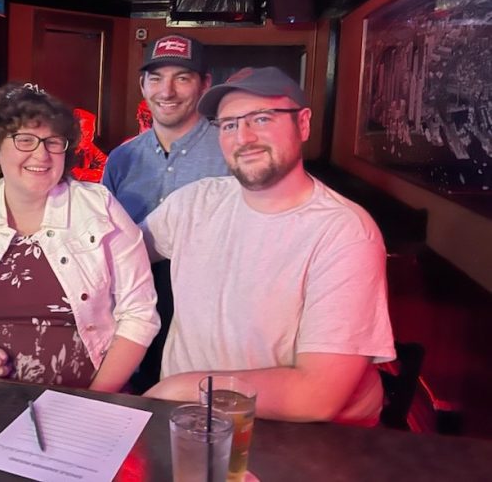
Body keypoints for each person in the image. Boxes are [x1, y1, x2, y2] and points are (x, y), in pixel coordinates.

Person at [141, 66, 395, 425]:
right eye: (229, 125)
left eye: (261, 118)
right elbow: (114, 255)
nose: (243, 137)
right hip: (195, 424)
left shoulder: (344, 232)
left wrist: (181, 389)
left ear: (303, 124)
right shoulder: (195, 203)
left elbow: (315, 397)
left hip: (299, 438)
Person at [0, 82, 160, 392]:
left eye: (53, 142)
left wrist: (96, 399)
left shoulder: (101, 209)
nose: (41, 154)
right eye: (25, 140)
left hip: (85, 398)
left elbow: (140, 315)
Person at [102, 33, 229, 391]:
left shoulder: (230, 151)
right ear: (143, 85)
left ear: (205, 84)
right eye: (156, 78)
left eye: (182, 78)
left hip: (205, 318)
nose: (166, 91)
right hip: (129, 313)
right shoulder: (121, 158)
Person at [71, 108, 107, 183]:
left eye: (92, 133)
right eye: (86, 134)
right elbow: (71, 174)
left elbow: (109, 165)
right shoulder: (62, 148)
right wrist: (97, 174)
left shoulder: (89, 146)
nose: (91, 138)